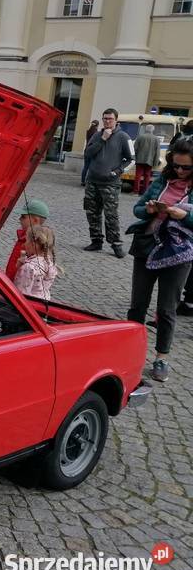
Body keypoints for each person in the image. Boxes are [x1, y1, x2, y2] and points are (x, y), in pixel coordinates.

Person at [125, 137, 193, 382]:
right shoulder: (161, 181)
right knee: (137, 305)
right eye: (176, 165)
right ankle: (130, 352)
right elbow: (138, 209)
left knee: (166, 309)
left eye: (186, 167)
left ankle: (161, 358)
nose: (180, 171)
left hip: (178, 254)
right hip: (147, 245)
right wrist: (151, 210)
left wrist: (182, 214)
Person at [83, 108, 132, 258]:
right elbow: (88, 153)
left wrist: (117, 172)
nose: (107, 121)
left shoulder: (124, 137)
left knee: (111, 214)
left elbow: (132, 159)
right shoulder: (97, 135)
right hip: (93, 180)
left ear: (116, 120)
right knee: (92, 212)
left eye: (110, 119)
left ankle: (116, 244)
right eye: (105, 118)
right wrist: (102, 139)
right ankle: (96, 240)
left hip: (111, 183)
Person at [4, 198, 49, 281]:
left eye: (23, 217)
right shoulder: (24, 236)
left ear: (35, 220)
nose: (19, 219)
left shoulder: (33, 242)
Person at [13, 225, 59, 300]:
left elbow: (20, 294)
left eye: (26, 240)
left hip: (28, 304)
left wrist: (21, 269)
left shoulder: (28, 268)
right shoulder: (50, 264)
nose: (24, 244)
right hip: (42, 302)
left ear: (33, 244)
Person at [133, 123, 159, 196]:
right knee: (147, 176)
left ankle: (136, 192)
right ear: (153, 130)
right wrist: (155, 163)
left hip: (139, 160)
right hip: (150, 160)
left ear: (146, 129)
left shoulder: (140, 137)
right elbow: (157, 152)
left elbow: (135, 148)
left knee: (138, 176)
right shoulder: (156, 139)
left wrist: (134, 158)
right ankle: (145, 192)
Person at [81, 119, 100, 186]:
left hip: (86, 150)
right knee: (91, 167)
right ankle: (88, 181)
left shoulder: (88, 131)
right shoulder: (96, 133)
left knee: (85, 167)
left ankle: (82, 181)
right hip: (92, 151)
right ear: (97, 125)